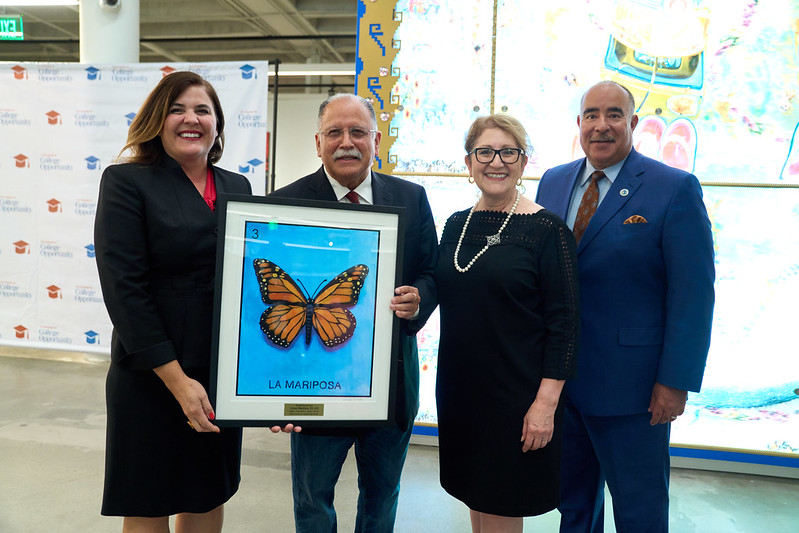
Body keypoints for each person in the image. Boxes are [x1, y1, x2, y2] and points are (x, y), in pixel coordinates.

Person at [535, 80, 715, 532]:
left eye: (614, 115)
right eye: (591, 115)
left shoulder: (673, 188)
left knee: (639, 512)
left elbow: (694, 294)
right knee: (574, 508)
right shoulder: (553, 182)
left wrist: (675, 382)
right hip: (562, 387)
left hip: (634, 393)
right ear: (578, 124)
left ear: (633, 124)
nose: (602, 126)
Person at [268, 93, 438, 532]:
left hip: (391, 383)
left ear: (375, 140)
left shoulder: (411, 197)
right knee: (312, 500)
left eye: (358, 132)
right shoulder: (284, 204)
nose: (347, 142)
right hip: (314, 384)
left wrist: (418, 298)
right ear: (318, 143)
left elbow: (431, 272)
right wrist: (267, 390)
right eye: (335, 133)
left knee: (382, 498)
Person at [94, 71, 252, 532]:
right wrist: (178, 382)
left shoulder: (237, 187)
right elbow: (125, 291)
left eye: (203, 110)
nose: (191, 119)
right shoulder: (127, 182)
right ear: (157, 121)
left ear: (217, 124)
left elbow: (253, 283)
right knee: (149, 499)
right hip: (151, 372)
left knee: (206, 494)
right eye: (178, 109)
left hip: (218, 369)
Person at [434, 114, 580, 532]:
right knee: (477, 500)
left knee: (500, 503)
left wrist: (545, 406)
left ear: (523, 161)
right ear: (469, 162)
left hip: (515, 400)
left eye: (508, 152)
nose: (495, 161)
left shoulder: (547, 231)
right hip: (462, 394)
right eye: (485, 152)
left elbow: (565, 327)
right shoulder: (457, 225)